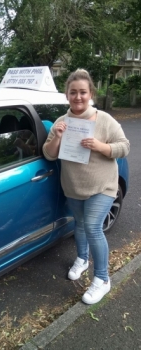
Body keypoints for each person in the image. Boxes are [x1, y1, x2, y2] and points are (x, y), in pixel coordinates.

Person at [42, 69, 130, 305]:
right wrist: (58, 137)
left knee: (92, 227)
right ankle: (82, 259)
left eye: (83, 92)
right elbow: (49, 155)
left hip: (102, 185)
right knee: (79, 225)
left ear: (90, 93)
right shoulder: (61, 122)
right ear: (67, 95)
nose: (78, 97)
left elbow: (124, 146)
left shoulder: (104, 120)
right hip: (73, 186)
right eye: (73, 92)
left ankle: (102, 279)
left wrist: (101, 146)